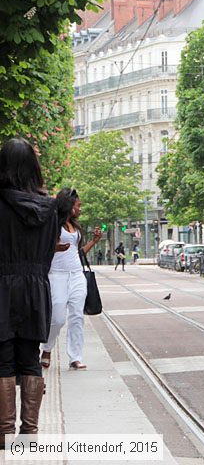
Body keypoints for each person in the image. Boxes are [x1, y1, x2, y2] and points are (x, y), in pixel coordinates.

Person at [0, 138, 59, 441]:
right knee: (30, 359)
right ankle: (30, 433)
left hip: (3, 288)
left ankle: (4, 432)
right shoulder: (49, 209)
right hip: (36, 288)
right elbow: (49, 252)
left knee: (4, 359)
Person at [40, 188, 101, 372]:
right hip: (56, 274)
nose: (80, 209)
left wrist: (94, 241)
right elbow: (42, 248)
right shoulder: (52, 224)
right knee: (57, 317)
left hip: (76, 274)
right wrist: (55, 248)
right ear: (68, 205)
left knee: (76, 316)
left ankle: (75, 357)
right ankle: (47, 349)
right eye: (78, 205)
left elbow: (78, 253)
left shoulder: (74, 226)